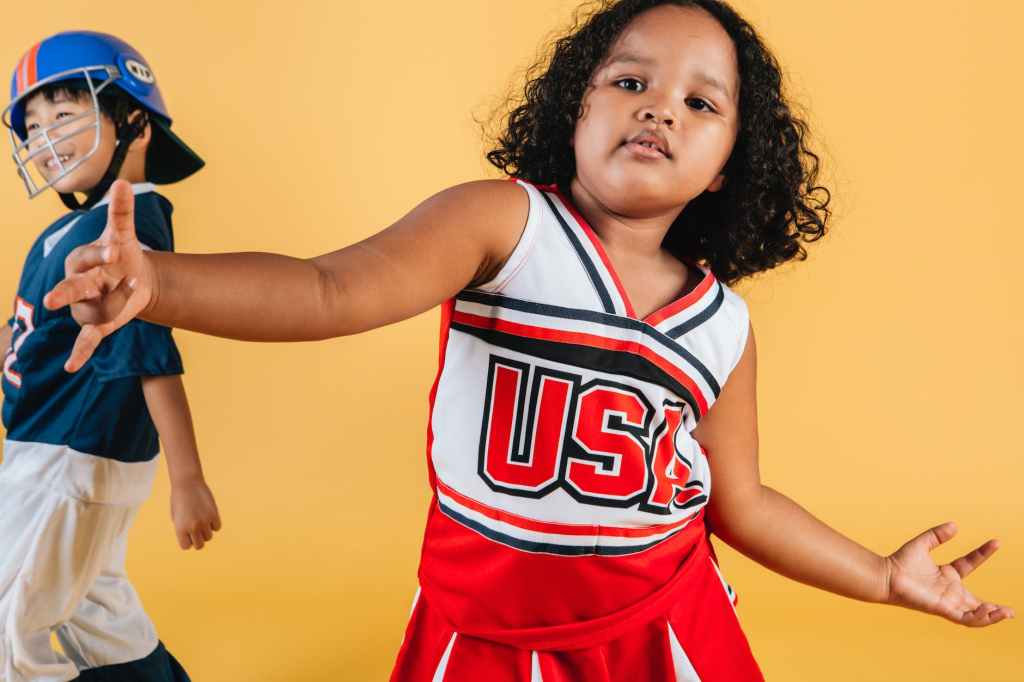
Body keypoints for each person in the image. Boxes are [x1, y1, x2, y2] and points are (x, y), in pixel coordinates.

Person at [44, 2, 1013, 680]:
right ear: (572, 107)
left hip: (658, 625)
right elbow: (330, 287)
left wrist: (881, 576)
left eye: (700, 102)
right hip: (486, 634)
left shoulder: (720, 325)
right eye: (629, 79)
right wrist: (163, 284)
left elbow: (742, 501)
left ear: (729, 167)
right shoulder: (505, 223)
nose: (657, 106)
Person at [0, 31, 220, 682]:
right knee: (93, 612)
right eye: (32, 125)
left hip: (71, 455)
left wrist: (187, 479)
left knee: (11, 622)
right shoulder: (67, 228)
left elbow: (151, 352)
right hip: (49, 449)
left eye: (63, 115)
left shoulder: (129, 225)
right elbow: (31, 331)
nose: (42, 138)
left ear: (134, 121)